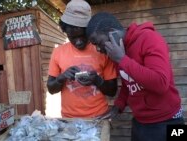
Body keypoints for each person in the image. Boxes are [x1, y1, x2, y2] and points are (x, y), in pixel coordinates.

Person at [86, 12, 185, 141]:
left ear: (112, 32)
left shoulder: (149, 38)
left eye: (98, 43)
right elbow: (129, 83)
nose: (98, 49)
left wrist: (122, 59)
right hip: (141, 122)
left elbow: (161, 83)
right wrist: (118, 106)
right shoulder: (118, 53)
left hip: (169, 121)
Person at [47, 0, 117, 118]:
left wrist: (97, 80)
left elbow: (112, 91)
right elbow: (51, 89)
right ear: (66, 33)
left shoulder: (102, 49)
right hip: (69, 119)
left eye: (83, 36)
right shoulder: (58, 52)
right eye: (72, 37)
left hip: (99, 117)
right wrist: (62, 77)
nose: (78, 42)